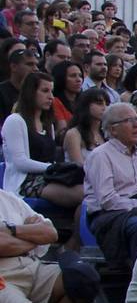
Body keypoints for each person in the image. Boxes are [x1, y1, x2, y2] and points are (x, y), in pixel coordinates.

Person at [2, 72, 84, 209]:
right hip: (25, 182)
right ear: (31, 92)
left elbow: (50, 159)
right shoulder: (15, 121)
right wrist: (53, 167)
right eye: (45, 91)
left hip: (49, 176)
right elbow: (20, 162)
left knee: (91, 190)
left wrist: (58, 169)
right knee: (82, 193)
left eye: (51, 91)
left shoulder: (48, 124)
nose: (51, 97)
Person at [62, 88, 107, 164]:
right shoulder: (73, 134)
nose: (104, 108)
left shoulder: (106, 133)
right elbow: (79, 166)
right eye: (99, 103)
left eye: (107, 104)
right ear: (86, 105)